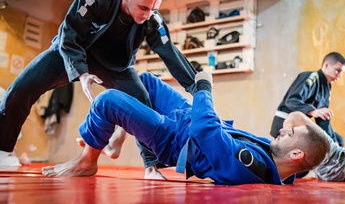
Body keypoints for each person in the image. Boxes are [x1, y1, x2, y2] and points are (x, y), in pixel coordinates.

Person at [0, 0, 197, 177]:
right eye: (144, 8)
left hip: (114, 65)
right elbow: (69, 33)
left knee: (142, 103)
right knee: (22, 88)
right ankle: (2, 150)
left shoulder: (152, 19)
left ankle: (151, 167)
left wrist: (197, 88)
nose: (148, 15)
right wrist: (82, 73)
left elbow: (171, 54)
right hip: (72, 50)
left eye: (154, 9)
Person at [42, 72, 330, 185]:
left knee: (108, 102)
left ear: (295, 155)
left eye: (289, 135)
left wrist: (204, 86)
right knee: (145, 82)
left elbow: (206, 131)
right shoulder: (280, 160)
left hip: (175, 139)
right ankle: (117, 135)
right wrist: (302, 124)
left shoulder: (253, 166)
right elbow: (295, 125)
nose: (282, 130)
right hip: (187, 121)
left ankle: (88, 161)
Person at [270, 52, 345, 146]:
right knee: (319, 145)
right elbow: (291, 101)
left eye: (342, 72)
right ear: (326, 65)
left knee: (339, 140)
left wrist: (333, 141)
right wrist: (313, 111)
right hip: (285, 123)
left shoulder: (327, 87)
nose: (340, 76)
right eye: (337, 70)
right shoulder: (311, 77)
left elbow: (322, 118)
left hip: (301, 127)